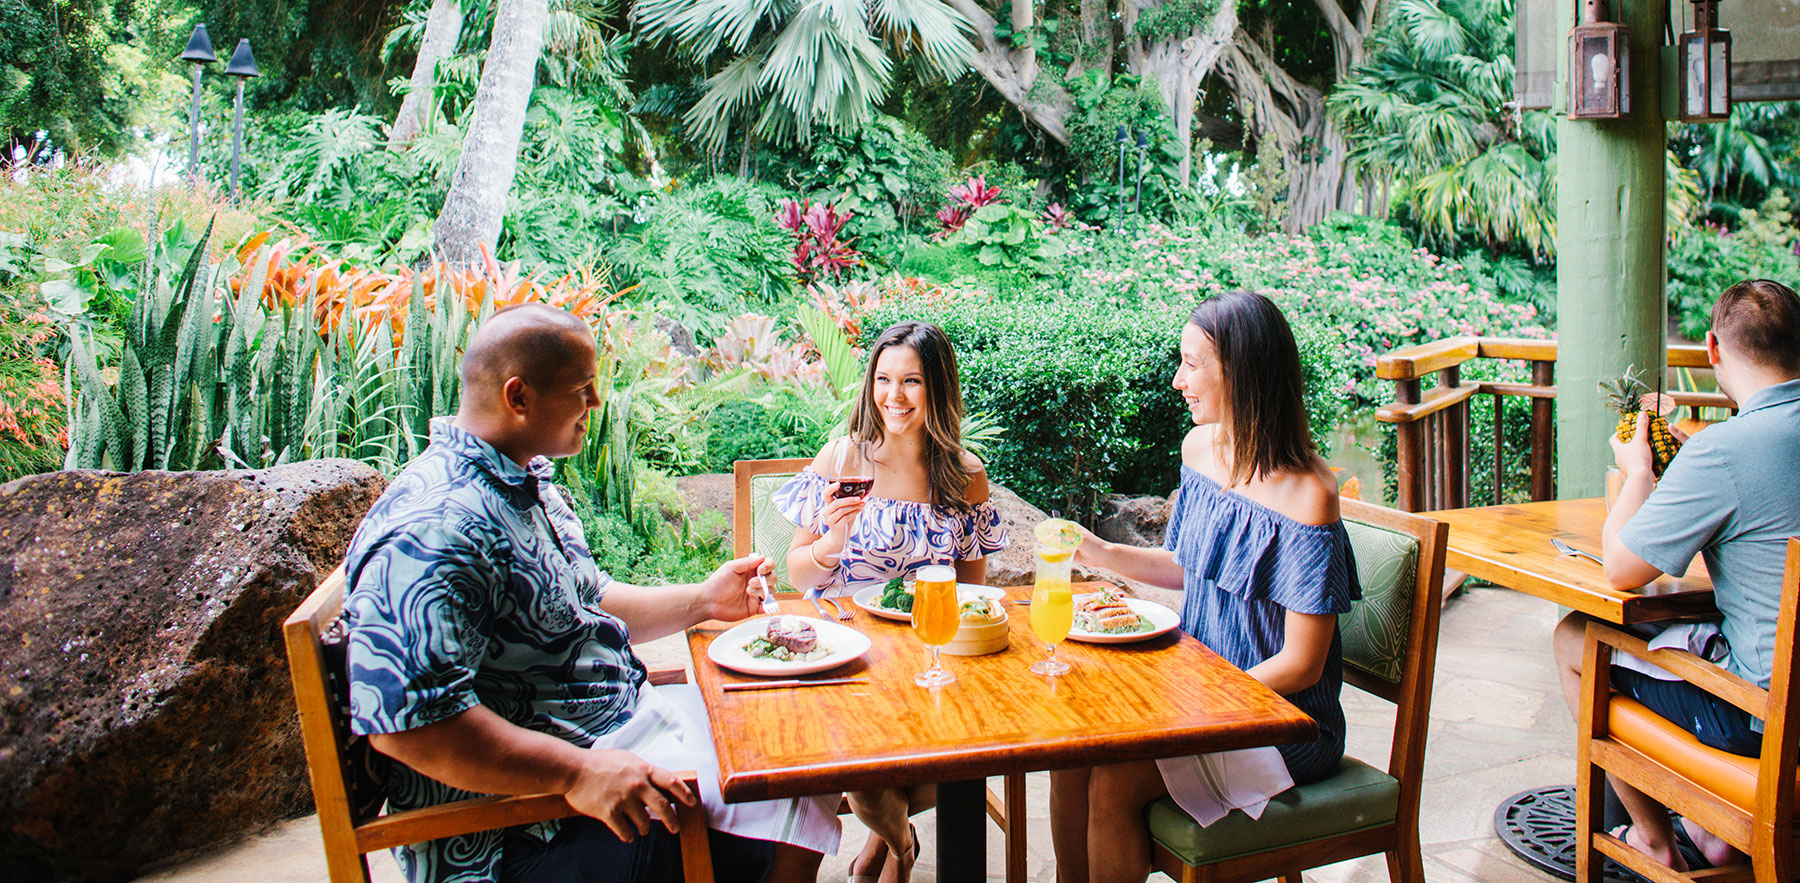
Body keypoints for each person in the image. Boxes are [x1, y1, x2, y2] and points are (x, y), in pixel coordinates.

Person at [342, 304, 838, 883]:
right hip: (523, 833)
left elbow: (586, 601)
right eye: (582, 389)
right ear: (518, 397)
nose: (595, 405)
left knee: (798, 746)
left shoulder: (520, 482)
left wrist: (705, 600)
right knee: (790, 787)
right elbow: (409, 727)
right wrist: (577, 774)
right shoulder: (436, 528)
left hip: (617, 732)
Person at [1047, 290, 1361, 883]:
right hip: (1197, 696)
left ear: (1240, 375)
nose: (1176, 380)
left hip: (1281, 721)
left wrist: (1197, 702)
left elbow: (1301, 665)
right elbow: (1191, 566)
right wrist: (1098, 549)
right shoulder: (1200, 449)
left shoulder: (1309, 495)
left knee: (1114, 780)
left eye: (1192, 364)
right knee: (1072, 757)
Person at [1551, 278, 1800, 873]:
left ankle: (1656, 839)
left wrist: (1639, 471)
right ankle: (1712, 832)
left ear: (1712, 347)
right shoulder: (1722, 450)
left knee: (1574, 638)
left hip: (1763, 720)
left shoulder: (1724, 451)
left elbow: (1622, 570)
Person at [774, 320, 1009, 883]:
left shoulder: (963, 474)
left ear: (939, 389)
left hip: (926, 649)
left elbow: (970, 591)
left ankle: (885, 841)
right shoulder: (843, 459)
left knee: (959, 751)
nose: (894, 397)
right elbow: (798, 569)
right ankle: (901, 843)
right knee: (862, 764)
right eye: (883, 379)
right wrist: (831, 542)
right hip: (845, 641)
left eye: (912, 382)